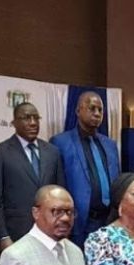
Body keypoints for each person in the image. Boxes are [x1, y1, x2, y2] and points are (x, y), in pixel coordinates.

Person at [0, 102, 66, 249]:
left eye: (36, 118)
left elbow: (60, 194)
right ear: (14, 122)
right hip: (16, 235)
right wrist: (3, 236)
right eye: (27, 118)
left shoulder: (52, 152)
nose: (33, 123)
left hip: (49, 233)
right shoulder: (0, 153)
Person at [51, 91, 120, 246]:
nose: (97, 114)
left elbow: (117, 181)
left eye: (100, 110)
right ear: (78, 111)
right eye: (92, 108)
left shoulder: (110, 145)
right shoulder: (61, 142)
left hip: (110, 221)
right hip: (80, 223)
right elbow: (57, 185)